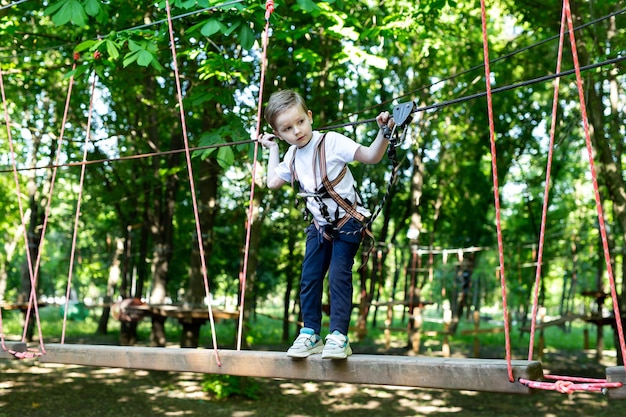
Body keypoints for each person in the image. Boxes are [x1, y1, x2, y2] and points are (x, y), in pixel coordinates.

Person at [259, 89, 395, 359]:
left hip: (348, 223)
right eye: (287, 129)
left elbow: (371, 156)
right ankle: (310, 332)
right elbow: (271, 182)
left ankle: (338, 337)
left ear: (309, 117)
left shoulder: (330, 142)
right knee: (309, 278)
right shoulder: (291, 156)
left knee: (338, 274)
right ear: (279, 133)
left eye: (300, 122)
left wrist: (383, 132)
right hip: (320, 227)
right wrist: (272, 149)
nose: (296, 131)